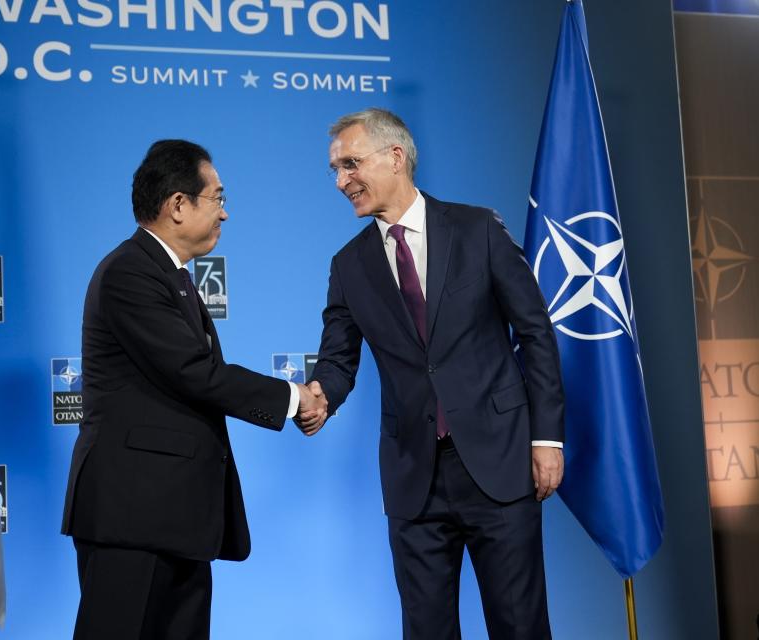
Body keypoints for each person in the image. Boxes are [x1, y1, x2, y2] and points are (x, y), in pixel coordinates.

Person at [298, 109, 565, 639]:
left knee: (520, 626)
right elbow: (337, 358)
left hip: (499, 463)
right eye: (334, 169)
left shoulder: (477, 229)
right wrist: (321, 394)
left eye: (351, 164)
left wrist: (547, 438)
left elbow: (535, 333)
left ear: (395, 157)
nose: (341, 180)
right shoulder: (347, 266)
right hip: (413, 477)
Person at [62, 139, 326, 639]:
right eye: (218, 198)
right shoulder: (130, 272)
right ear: (177, 205)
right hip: (131, 515)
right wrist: (293, 399)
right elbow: (193, 372)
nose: (225, 214)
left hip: (175, 516)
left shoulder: (172, 276)